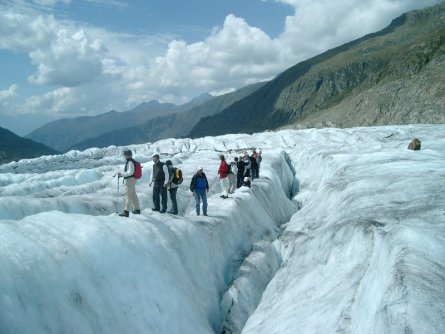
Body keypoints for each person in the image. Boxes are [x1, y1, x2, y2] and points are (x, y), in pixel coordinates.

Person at [117, 149, 141, 217]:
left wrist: (122, 174)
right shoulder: (131, 161)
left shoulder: (130, 162)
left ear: (128, 155)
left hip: (130, 180)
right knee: (133, 195)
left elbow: (130, 172)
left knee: (127, 195)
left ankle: (126, 211)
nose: (124, 156)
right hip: (132, 179)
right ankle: (137, 209)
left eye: (125, 155)